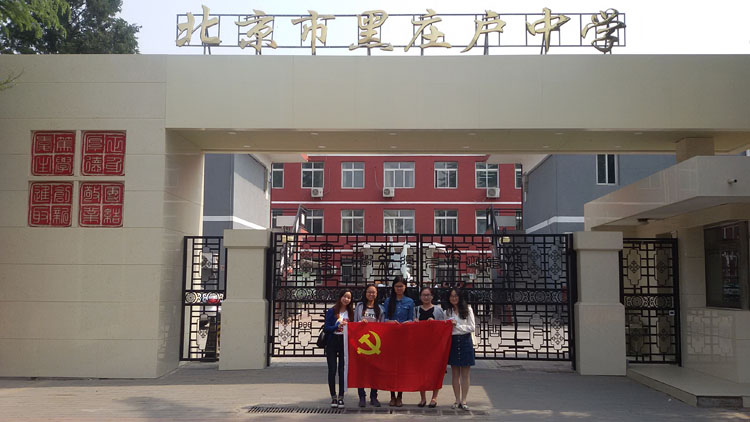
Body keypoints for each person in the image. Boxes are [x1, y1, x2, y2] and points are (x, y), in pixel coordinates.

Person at [382, 276, 414, 407]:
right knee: (391, 368)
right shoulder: (388, 301)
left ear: (405, 287)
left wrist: (408, 323)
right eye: (397, 286)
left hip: (404, 338)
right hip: (390, 337)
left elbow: (412, 319)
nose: (399, 288)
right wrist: (389, 322)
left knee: (401, 368)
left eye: (401, 286)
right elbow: (384, 318)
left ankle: (400, 396)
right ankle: (392, 396)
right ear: (393, 287)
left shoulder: (410, 301)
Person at [353, 284, 385, 408]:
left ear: (376, 294)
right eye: (369, 292)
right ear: (365, 293)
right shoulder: (359, 307)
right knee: (361, 371)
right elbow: (354, 323)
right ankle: (362, 396)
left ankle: (374, 396)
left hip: (375, 344)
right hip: (361, 344)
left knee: (374, 371)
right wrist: (360, 323)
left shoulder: (380, 308)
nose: (371, 294)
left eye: (373, 292)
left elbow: (382, 326)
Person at [444, 288, 475, 411]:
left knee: (465, 374)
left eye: (456, 296)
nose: (454, 298)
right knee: (455, 373)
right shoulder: (448, 311)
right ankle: (457, 399)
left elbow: (472, 327)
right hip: (453, 341)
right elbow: (444, 326)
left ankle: (464, 400)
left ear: (460, 297)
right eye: (451, 296)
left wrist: (457, 325)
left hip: (465, 340)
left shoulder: (468, 309)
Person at [415, 286, 445, 408]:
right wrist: (414, 322)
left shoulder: (438, 310)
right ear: (420, 297)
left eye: (428, 295)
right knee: (421, 372)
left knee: (435, 372)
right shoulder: (416, 309)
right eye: (424, 295)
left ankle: (434, 397)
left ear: (432, 296)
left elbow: (443, 326)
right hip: (420, 345)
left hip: (434, 346)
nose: (426, 297)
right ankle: (423, 398)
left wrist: (435, 323)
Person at [324, 289, 354, 409]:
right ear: (340, 297)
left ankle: (341, 397)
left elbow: (355, 327)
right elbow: (326, 328)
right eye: (344, 296)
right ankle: (333, 396)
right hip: (332, 341)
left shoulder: (350, 313)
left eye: (349, 298)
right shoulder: (332, 311)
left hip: (344, 343)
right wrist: (337, 326)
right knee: (332, 370)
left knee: (342, 370)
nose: (346, 299)